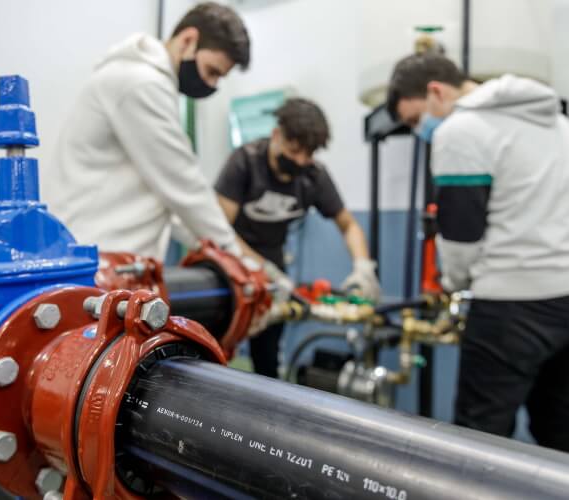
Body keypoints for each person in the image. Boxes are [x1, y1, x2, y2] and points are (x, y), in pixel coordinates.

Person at [387, 53, 569, 451]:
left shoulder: (461, 130)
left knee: (478, 441)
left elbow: (460, 237)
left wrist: (452, 282)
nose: (420, 131)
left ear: (436, 91)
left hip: (511, 307)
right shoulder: (559, 123)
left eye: (416, 120)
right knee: (559, 431)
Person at [46, 2, 250, 261]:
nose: (212, 84)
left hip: (105, 257)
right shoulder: (141, 84)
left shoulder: (142, 80)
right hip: (97, 260)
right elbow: (184, 185)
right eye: (212, 71)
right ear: (188, 39)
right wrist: (240, 260)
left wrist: (207, 245)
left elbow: (164, 200)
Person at [215, 98, 380, 378]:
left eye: (310, 153)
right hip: (227, 268)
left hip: (274, 269)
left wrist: (363, 267)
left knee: (266, 359)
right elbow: (220, 230)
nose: (301, 161)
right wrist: (262, 269)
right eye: (295, 150)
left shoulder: (313, 177)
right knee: (215, 350)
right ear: (277, 135)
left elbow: (348, 224)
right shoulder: (244, 162)